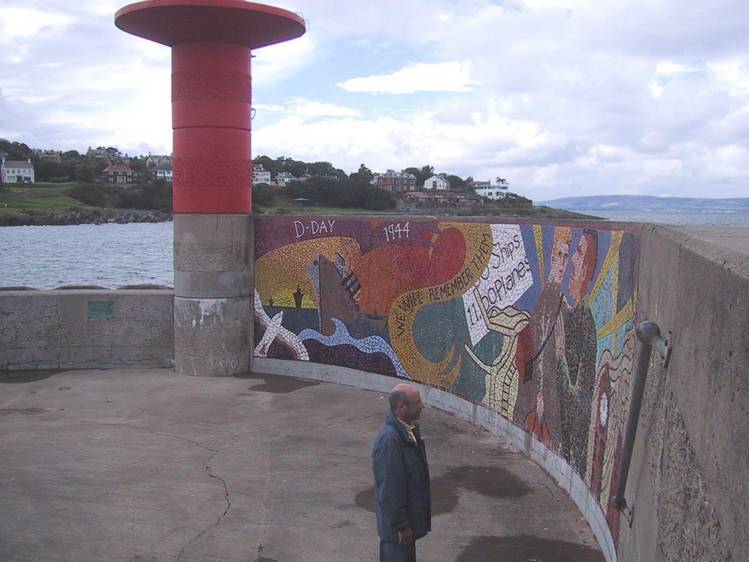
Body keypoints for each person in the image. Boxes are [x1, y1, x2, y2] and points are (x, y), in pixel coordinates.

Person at [372, 383, 431, 562]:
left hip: (407, 529)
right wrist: (402, 526)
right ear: (401, 406)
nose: (422, 405)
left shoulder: (408, 431)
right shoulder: (390, 441)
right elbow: (390, 490)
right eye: (417, 402)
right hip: (397, 533)